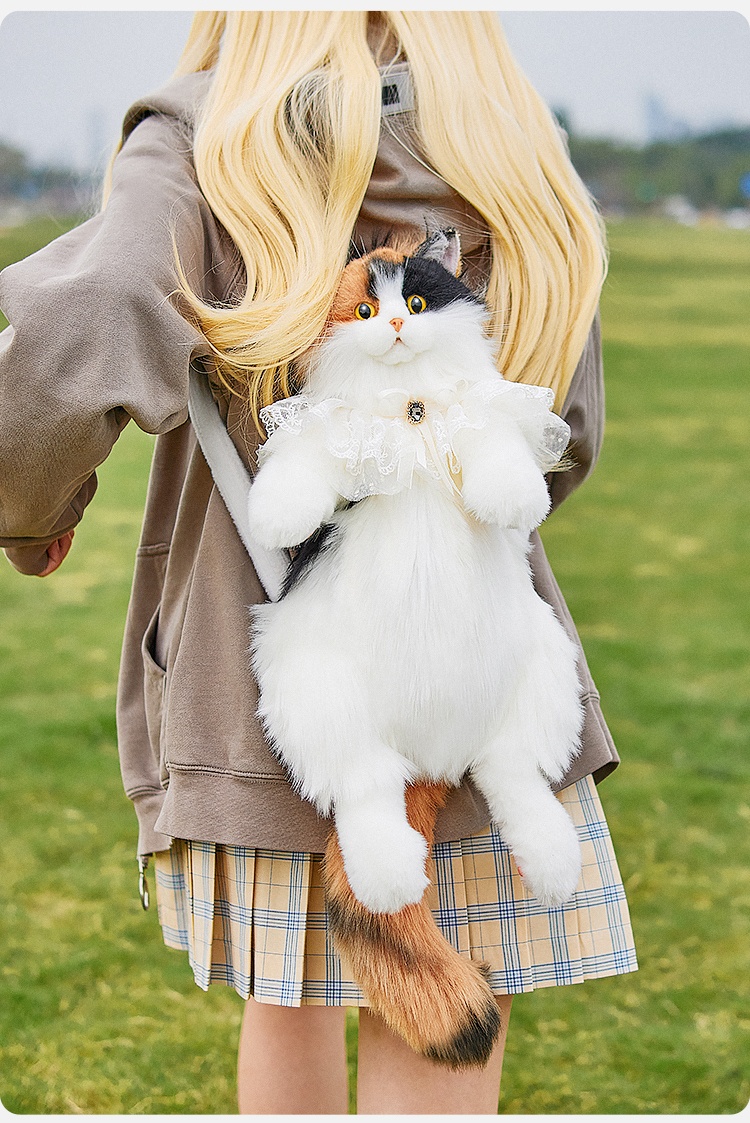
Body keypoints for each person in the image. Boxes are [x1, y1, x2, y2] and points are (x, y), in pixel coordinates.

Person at [0, 11, 637, 1115]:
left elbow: (93, 310)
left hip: (264, 685)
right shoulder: (507, 143)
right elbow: (562, 431)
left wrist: (28, 504)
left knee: (287, 997)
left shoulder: (210, 136)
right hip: (476, 671)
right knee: (450, 1000)